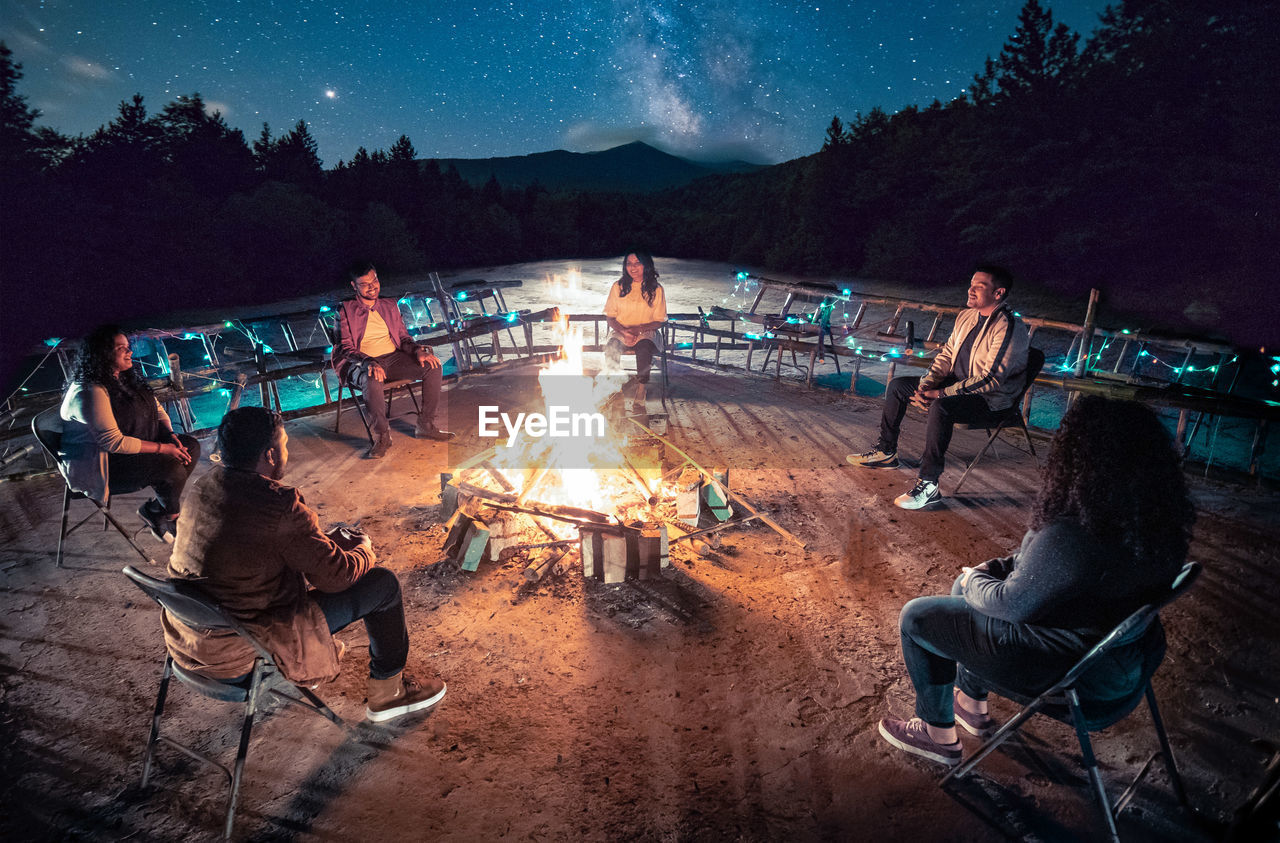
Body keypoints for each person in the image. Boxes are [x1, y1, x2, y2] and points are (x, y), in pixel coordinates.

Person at [876, 396, 1195, 766]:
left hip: (1078, 683)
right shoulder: (1151, 524)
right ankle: (969, 705)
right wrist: (983, 574)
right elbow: (1033, 569)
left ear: (1079, 459)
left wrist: (977, 576)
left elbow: (1011, 603)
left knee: (917, 616)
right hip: (1121, 669)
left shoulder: (1074, 534)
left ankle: (937, 735)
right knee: (964, 592)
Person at [163, 406, 446, 723]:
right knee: (382, 585)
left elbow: (255, 544)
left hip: (191, 644)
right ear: (270, 455)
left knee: (325, 567)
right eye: (284, 444)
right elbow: (335, 578)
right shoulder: (279, 503)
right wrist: (364, 549)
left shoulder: (203, 487)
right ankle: (388, 693)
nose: (286, 451)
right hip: (246, 650)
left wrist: (319, 542)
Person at [848, 264, 1029, 510]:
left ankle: (929, 483)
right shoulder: (967, 316)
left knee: (942, 407)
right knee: (900, 386)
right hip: (957, 387)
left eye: (980, 286)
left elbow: (990, 380)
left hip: (991, 400)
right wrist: (926, 385)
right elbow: (947, 355)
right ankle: (886, 452)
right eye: (971, 283)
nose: (971, 290)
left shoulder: (1008, 326)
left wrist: (940, 393)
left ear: (998, 293)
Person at [58, 324, 200, 542]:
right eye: (121, 348)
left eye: (128, 346)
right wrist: (164, 448)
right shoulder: (90, 390)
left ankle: (156, 510)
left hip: (129, 453)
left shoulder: (123, 378)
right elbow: (113, 443)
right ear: (102, 353)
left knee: (189, 446)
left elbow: (157, 410)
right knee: (170, 465)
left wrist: (170, 436)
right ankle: (171, 516)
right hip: (104, 466)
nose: (130, 352)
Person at [332, 260, 453, 459]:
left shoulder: (389, 305)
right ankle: (382, 436)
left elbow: (403, 338)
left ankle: (426, 425)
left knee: (433, 366)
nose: (372, 287)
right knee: (372, 378)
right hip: (360, 362)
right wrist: (368, 361)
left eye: (375, 281)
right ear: (354, 286)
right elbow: (345, 347)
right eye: (365, 284)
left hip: (393, 358)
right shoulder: (345, 309)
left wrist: (417, 351)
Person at [603, 250, 668, 412]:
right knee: (612, 347)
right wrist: (625, 332)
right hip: (621, 329)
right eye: (629, 264)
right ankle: (615, 387)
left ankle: (641, 388)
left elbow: (659, 321)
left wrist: (638, 330)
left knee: (644, 348)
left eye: (637, 263)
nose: (633, 267)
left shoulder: (656, 289)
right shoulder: (618, 287)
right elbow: (610, 318)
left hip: (647, 330)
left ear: (646, 265)